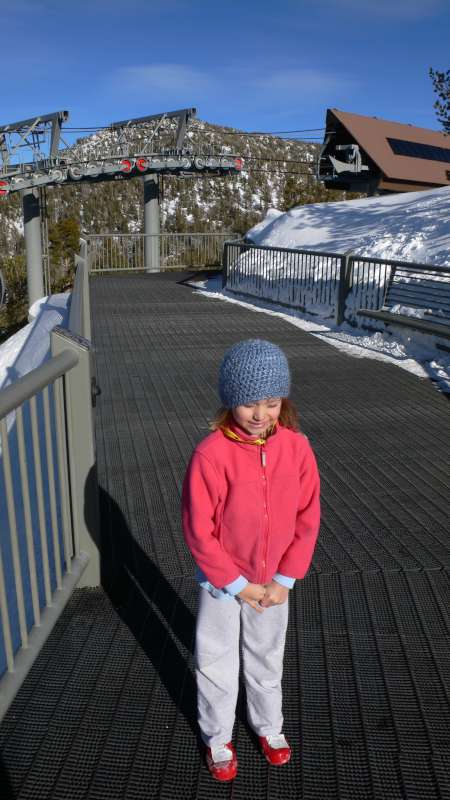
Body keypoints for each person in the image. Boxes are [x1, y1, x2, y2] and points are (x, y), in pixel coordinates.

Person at [181, 339, 320, 782]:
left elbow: (308, 517)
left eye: (272, 403)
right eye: (249, 404)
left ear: (284, 402)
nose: (260, 414)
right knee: (216, 660)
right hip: (222, 584)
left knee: (266, 656)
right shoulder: (211, 454)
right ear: (229, 401)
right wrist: (238, 585)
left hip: (273, 584)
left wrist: (285, 579)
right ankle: (218, 737)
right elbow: (199, 530)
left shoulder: (297, 449)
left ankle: (268, 726)